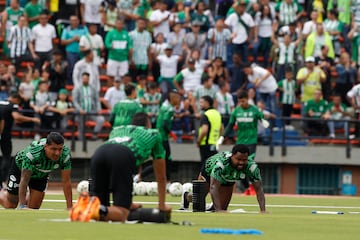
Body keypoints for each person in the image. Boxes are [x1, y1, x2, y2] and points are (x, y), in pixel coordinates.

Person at [70, 113, 171, 222]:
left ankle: (88, 207)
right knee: (122, 214)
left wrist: (128, 202)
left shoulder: (117, 130)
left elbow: (113, 174)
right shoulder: (154, 134)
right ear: (148, 125)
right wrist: (162, 206)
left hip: (99, 153)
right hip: (122, 155)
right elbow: (161, 176)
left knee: (103, 211)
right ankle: (93, 209)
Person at [181, 144, 266, 212]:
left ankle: (213, 207)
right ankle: (186, 196)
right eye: (238, 159)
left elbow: (259, 189)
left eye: (244, 160)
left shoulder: (252, 167)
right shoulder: (221, 164)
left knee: (223, 209)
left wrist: (263, 210)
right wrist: (218, 210)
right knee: (199, 198)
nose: (241, 162)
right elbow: (213, 187)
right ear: (232, 156)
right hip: (209, 170)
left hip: (229, 177)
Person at [0, 132, 72, 209]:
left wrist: (70, 207)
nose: (57, 153)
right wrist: (22, 206)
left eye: (60, 149)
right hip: (20, 169)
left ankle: (28, 196)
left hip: (41, 174)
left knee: (34, 207)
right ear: (45, 147)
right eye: (53, 149)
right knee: (11, 205)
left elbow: (66, 181)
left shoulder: (65, 155)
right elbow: (24, 180)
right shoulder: (33, 154)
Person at [0, 93, 41, 187]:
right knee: (6, 157)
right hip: (4, 134)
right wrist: (32, 119)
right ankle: (1, 182)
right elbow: (17, 117)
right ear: (16, 99)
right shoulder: (12, 105)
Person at [217, 91, 268, 157]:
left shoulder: (255, 110)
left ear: (247, 99)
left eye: (243, 101)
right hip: (240, 141)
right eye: (239, 101)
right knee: (238, 162)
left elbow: (262, 117)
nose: (241, 103)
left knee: (249, 162)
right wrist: (222, 137)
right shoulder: (236, 111)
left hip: (251, 141)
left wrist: (263, 121)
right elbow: (230, 126)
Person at [72, 72, 105, 140]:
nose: (85, 80)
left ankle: (95, 135)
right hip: (81, 112)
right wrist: (80, 109)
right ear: (81, 79)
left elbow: (97, 100)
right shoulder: (77, 88)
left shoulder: (93, 88)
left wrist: (99, 109)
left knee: (101, 119)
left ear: (89, 79)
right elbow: (75, 101)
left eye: (86, 78)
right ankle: (80, 140)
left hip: (92, 111)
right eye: (84, 78)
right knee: (81, 126)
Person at [197, 95, 223, 171]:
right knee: (213, 167)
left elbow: (204, 130)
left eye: (202, 102)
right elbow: (221, 129)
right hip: (214, 145)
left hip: (206, 144)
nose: (200, 104)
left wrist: (199, 141)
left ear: (207, 103)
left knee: (205, 167)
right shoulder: (217, 114)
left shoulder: (206, 115)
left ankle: (203, 182)